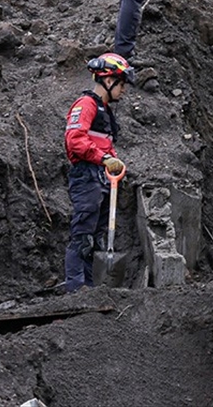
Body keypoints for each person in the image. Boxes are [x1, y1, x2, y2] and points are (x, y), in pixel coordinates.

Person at [63, 52, 135, 293]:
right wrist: (103, 158)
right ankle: (76, 288)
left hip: (101, 177)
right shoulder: (86, 105)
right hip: (87, 175)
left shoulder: (105, 111)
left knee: (95, 235)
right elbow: (74, 140)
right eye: (121, 84)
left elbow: (104, 143)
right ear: (107, 80)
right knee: (82, 233)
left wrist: (114, 161)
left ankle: (89, 287)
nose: (123, 90)